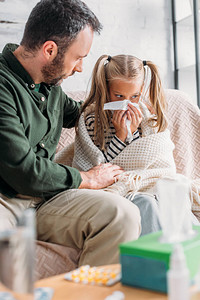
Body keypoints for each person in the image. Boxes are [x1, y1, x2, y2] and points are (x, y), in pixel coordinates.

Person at [0, 0, 141, 266]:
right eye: (78, 58)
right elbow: (23, 170)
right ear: (50, 50)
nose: (79, 68)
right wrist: (86, 178)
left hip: (45, 200)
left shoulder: (50, 86)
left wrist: (122, 105)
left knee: (122, 214)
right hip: (6, 199)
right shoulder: (3, 87)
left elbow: (82, 113)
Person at [72, 54, 178, 235]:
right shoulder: (92, 121)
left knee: (175, 198)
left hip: (147, 184)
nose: (127, 103)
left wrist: (134, 132)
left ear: (141, 90)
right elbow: (99, 171)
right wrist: (121, 137)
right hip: (115, 191)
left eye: (134, 96)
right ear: (106, 89)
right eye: (119, 95)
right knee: (147, 203)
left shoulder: (148, 119)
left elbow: (153, 161)